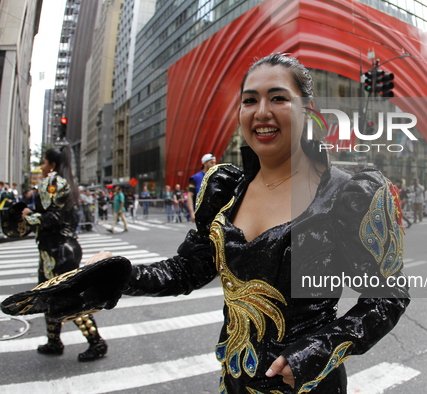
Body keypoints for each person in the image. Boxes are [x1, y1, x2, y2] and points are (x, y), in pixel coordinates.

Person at [86, 54, 409, 393]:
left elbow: (388, 296)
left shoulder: (348, 195)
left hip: (308, 385)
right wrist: (122, 275)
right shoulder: (223, 189)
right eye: (250, 100)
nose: (261, 112)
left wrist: (319, 349)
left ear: (308, 110)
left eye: (279, 98)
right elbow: (189, 269)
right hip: (235, 380)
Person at [21, 146, 107, 361]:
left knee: (68, 299)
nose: (41, 167)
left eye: (42, 162)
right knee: (50, 296)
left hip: (58, 250)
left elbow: (54, 217)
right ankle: (54, 341)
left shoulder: (54, 182)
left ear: (52, 164)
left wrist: (28, 217)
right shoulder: (65, 181)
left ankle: (96, 343)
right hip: (57, 249)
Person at [187, 153, 217, 223]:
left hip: (215, 213)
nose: (214, 165)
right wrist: (192, 213)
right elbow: (189, 196)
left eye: (215, 162)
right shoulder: (195, 178)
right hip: (201, 214)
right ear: (204, 163)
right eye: (211, 163)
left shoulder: (217, 177)